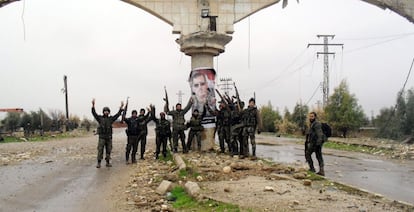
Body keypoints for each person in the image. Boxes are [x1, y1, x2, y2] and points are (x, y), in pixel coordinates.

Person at [91, 99, 124, 168]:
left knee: (108, 150)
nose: (106, 112)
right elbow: (94, 113)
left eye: (107, 111)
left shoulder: (111, 119)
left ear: (109, 112)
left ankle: (107, 162)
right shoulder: (100, 118)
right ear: (103, 112)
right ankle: (99, 163)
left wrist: (121, 108)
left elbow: (117, 115)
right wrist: (93, 106)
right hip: (102, 137)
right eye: (105, 111)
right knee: (100, 150)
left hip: (109, 137)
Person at [305, 112, 326, 176]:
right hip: (313, 142)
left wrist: (318, 143)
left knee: (309, 154)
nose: (310, 118)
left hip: (316, 143)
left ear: (315, 117)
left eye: (312, 116)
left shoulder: (317, 124)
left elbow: (320, 134)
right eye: (310, 116)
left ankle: (314, 169)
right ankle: (318, 170)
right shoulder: (312, 124)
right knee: (316, 156)